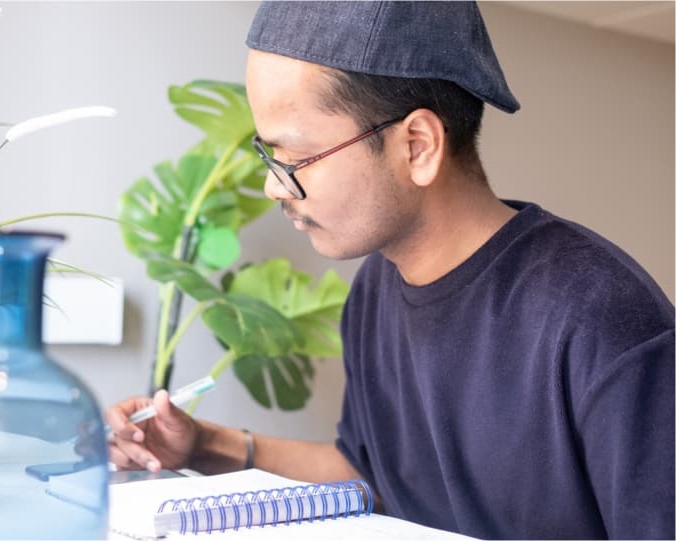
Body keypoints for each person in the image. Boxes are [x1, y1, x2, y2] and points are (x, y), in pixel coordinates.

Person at [106, 2, 675, 539]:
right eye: (268, 155)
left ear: (418, 146)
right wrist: (201, 445)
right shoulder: (377, 287)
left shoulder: (601, 317)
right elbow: (369, 476)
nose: (274, 186)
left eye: (295, 158)